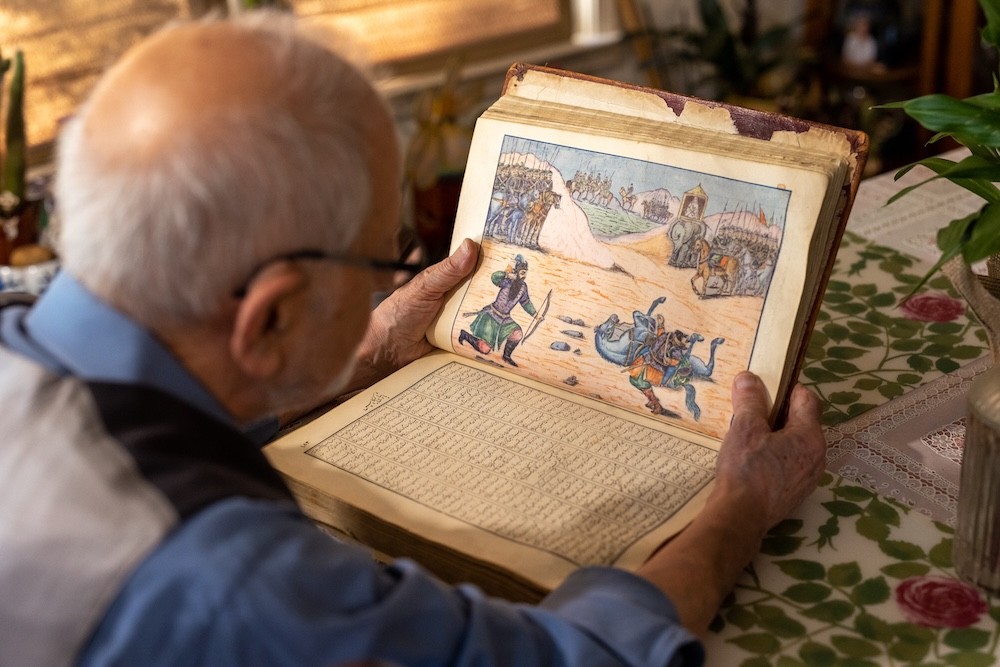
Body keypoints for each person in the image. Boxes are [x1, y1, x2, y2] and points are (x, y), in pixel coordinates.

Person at [0, 13, 827, 666]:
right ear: (273, 317)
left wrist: (356, 357)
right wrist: (743, 505)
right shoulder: (235, 578)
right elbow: (576, 655)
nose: (390, 287)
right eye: (379, 262)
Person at [458, 253, 536, 367]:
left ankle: (506, 356)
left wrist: (535, 314)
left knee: (517, 333)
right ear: (517, 272)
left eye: (525, 273)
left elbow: (526, 302)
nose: (524, 276)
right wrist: (507, 273)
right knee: (485, 349)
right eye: (522, 273)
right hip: (491, 316)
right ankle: (465, 335)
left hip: (505, 319)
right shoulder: (506, 281)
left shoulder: (523, 287)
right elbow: (494, 277)